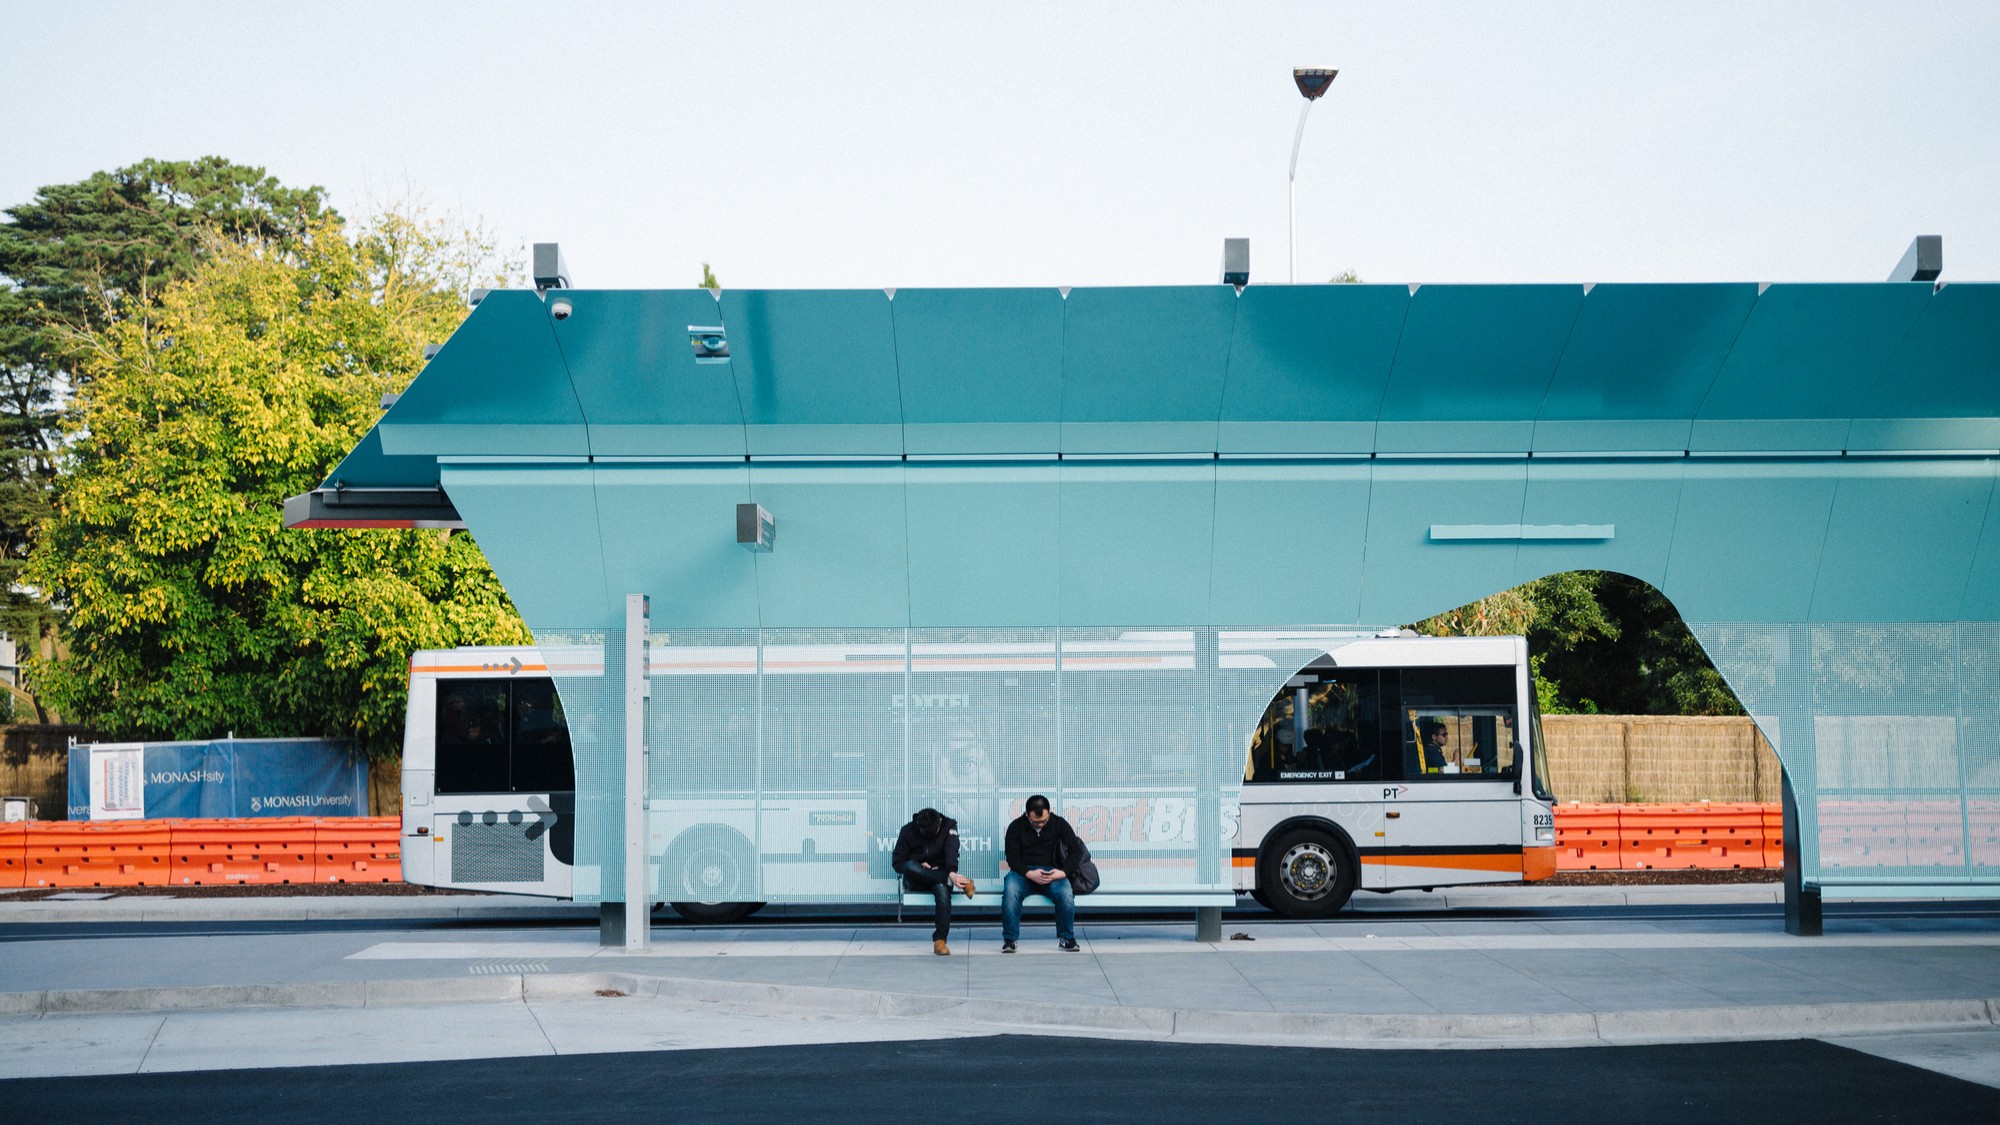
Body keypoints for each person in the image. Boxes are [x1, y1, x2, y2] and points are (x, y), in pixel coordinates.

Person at [1000, 793, 1083, 953]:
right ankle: (1010, 940)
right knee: (1010, 892)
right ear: (1026, 815)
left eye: (1044, 821)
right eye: (1035, 822)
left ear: (1049, 813)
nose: (1040, 825)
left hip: (1052, 872)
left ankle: (1067, 938)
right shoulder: (1015, 827)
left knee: (1066, 895)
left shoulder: (1058, 823)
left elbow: (1075, 851)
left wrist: (1063, 872)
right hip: (1023, 873)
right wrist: (1029, 873)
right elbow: (1012, 858)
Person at [892, 807, 975, 955]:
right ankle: (956, 881)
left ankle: (940, 941)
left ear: (939, 822)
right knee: (910, 866)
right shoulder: (908, 830)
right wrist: (919, 862)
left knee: (942, 891)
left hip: (941, 873)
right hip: (917, 879)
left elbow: (951, 852)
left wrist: (950, 871)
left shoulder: (949, 827)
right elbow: (897, 862)